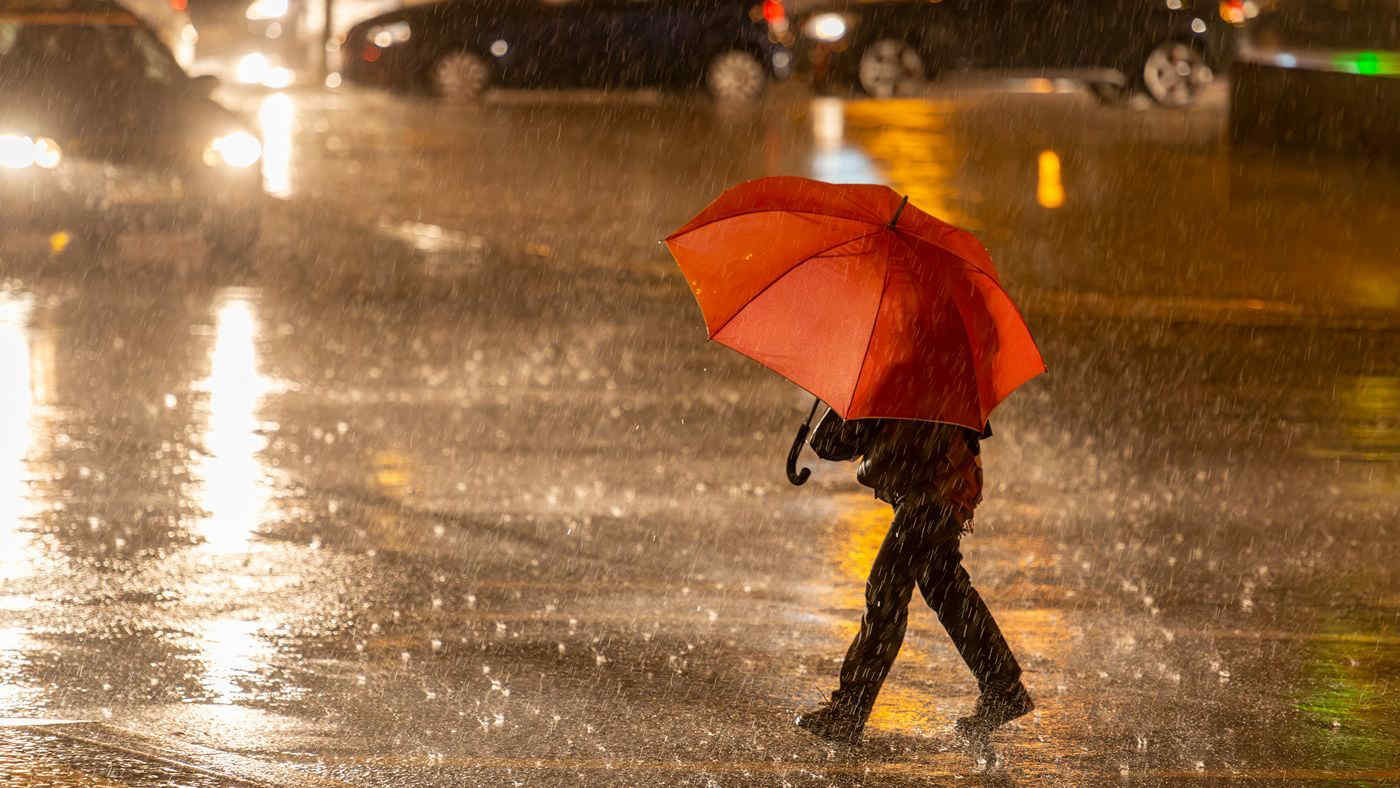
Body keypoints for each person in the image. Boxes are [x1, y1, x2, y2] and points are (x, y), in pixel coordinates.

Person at [795, 409, 1032, 744]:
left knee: (886, 592)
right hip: (938, 492)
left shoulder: (916, 383)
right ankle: (1003, 685)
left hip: (933, 495)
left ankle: (849, 711)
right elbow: (833, 444)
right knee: (944, 587)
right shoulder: (901, 381)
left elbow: (859, 446)